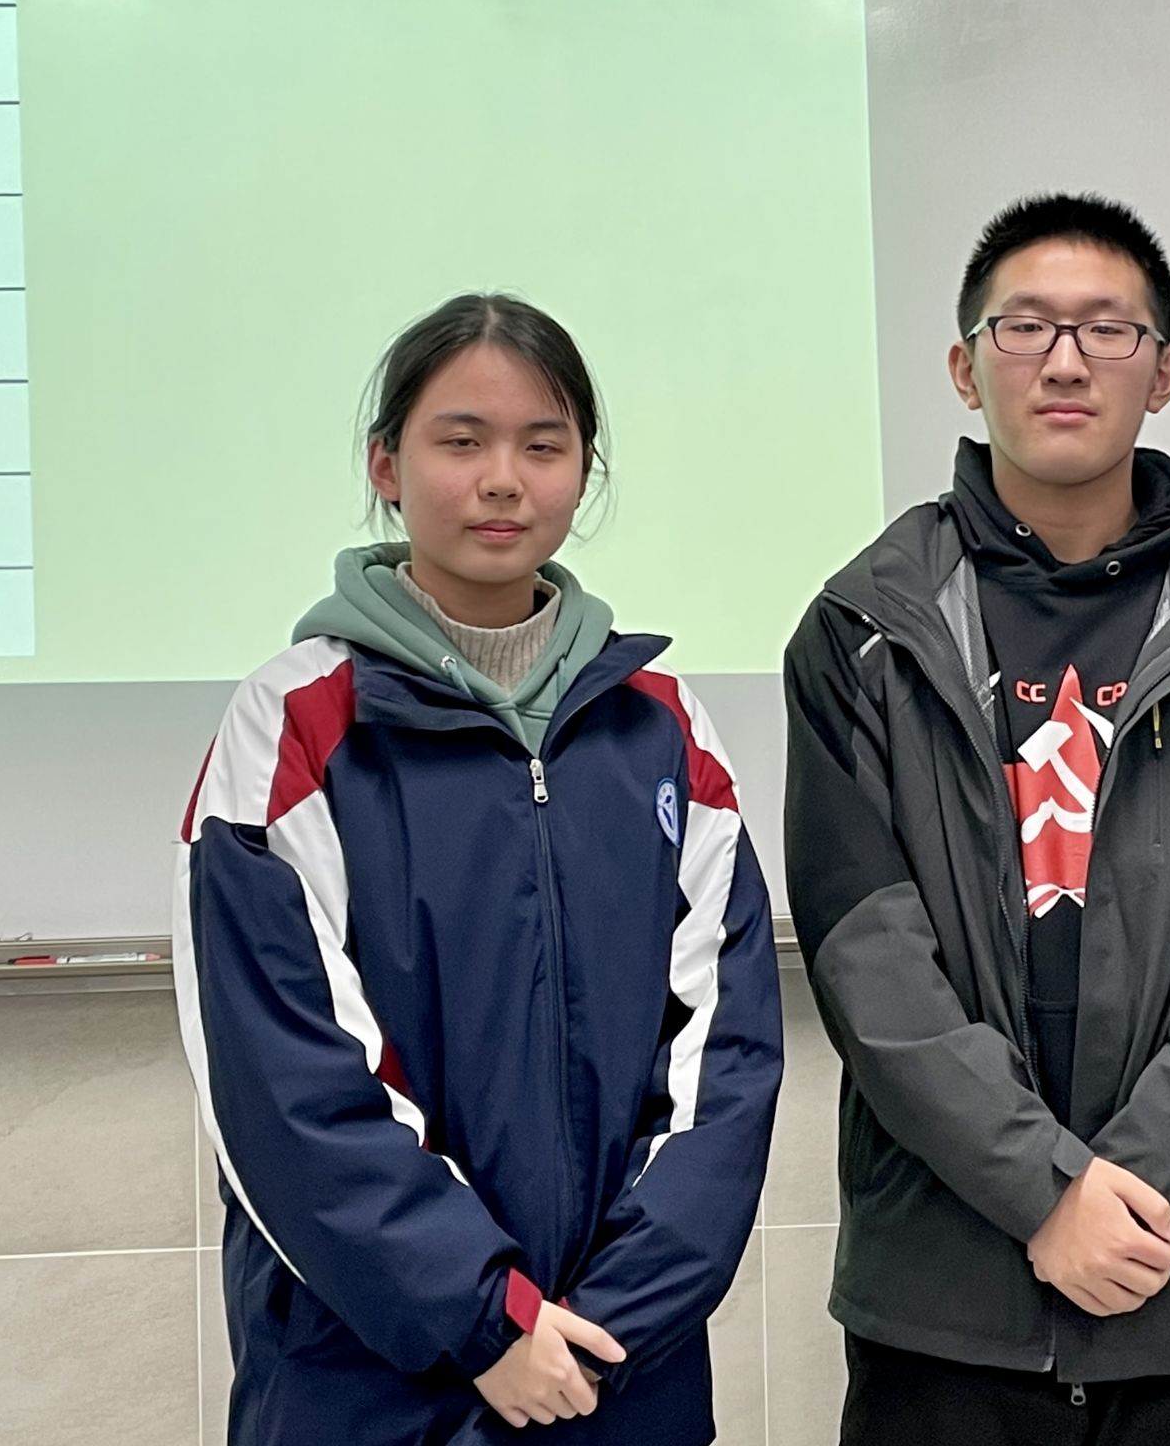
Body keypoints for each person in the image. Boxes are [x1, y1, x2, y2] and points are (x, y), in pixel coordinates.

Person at [783, 193, 1170, 1445]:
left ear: (1165, 372)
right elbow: (861, 953)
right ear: (964, 368)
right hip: (945, 1302)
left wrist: (1125, 1194)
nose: (1064, 361)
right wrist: (1045, 1191)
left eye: (1108, 330)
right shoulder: (860, 628)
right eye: (1026, 327)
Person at [173, 293, 780, 1444]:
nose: (504, 480)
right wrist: (487, 1321)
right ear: (386, 465)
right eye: (462, 441)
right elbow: (284, 1084)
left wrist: (601, 1328)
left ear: (583, 474)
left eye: (543, 445)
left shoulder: (662, 728)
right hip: (368, 1385)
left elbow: (726, 1061)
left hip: (617, 1381)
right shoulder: (295, 726)